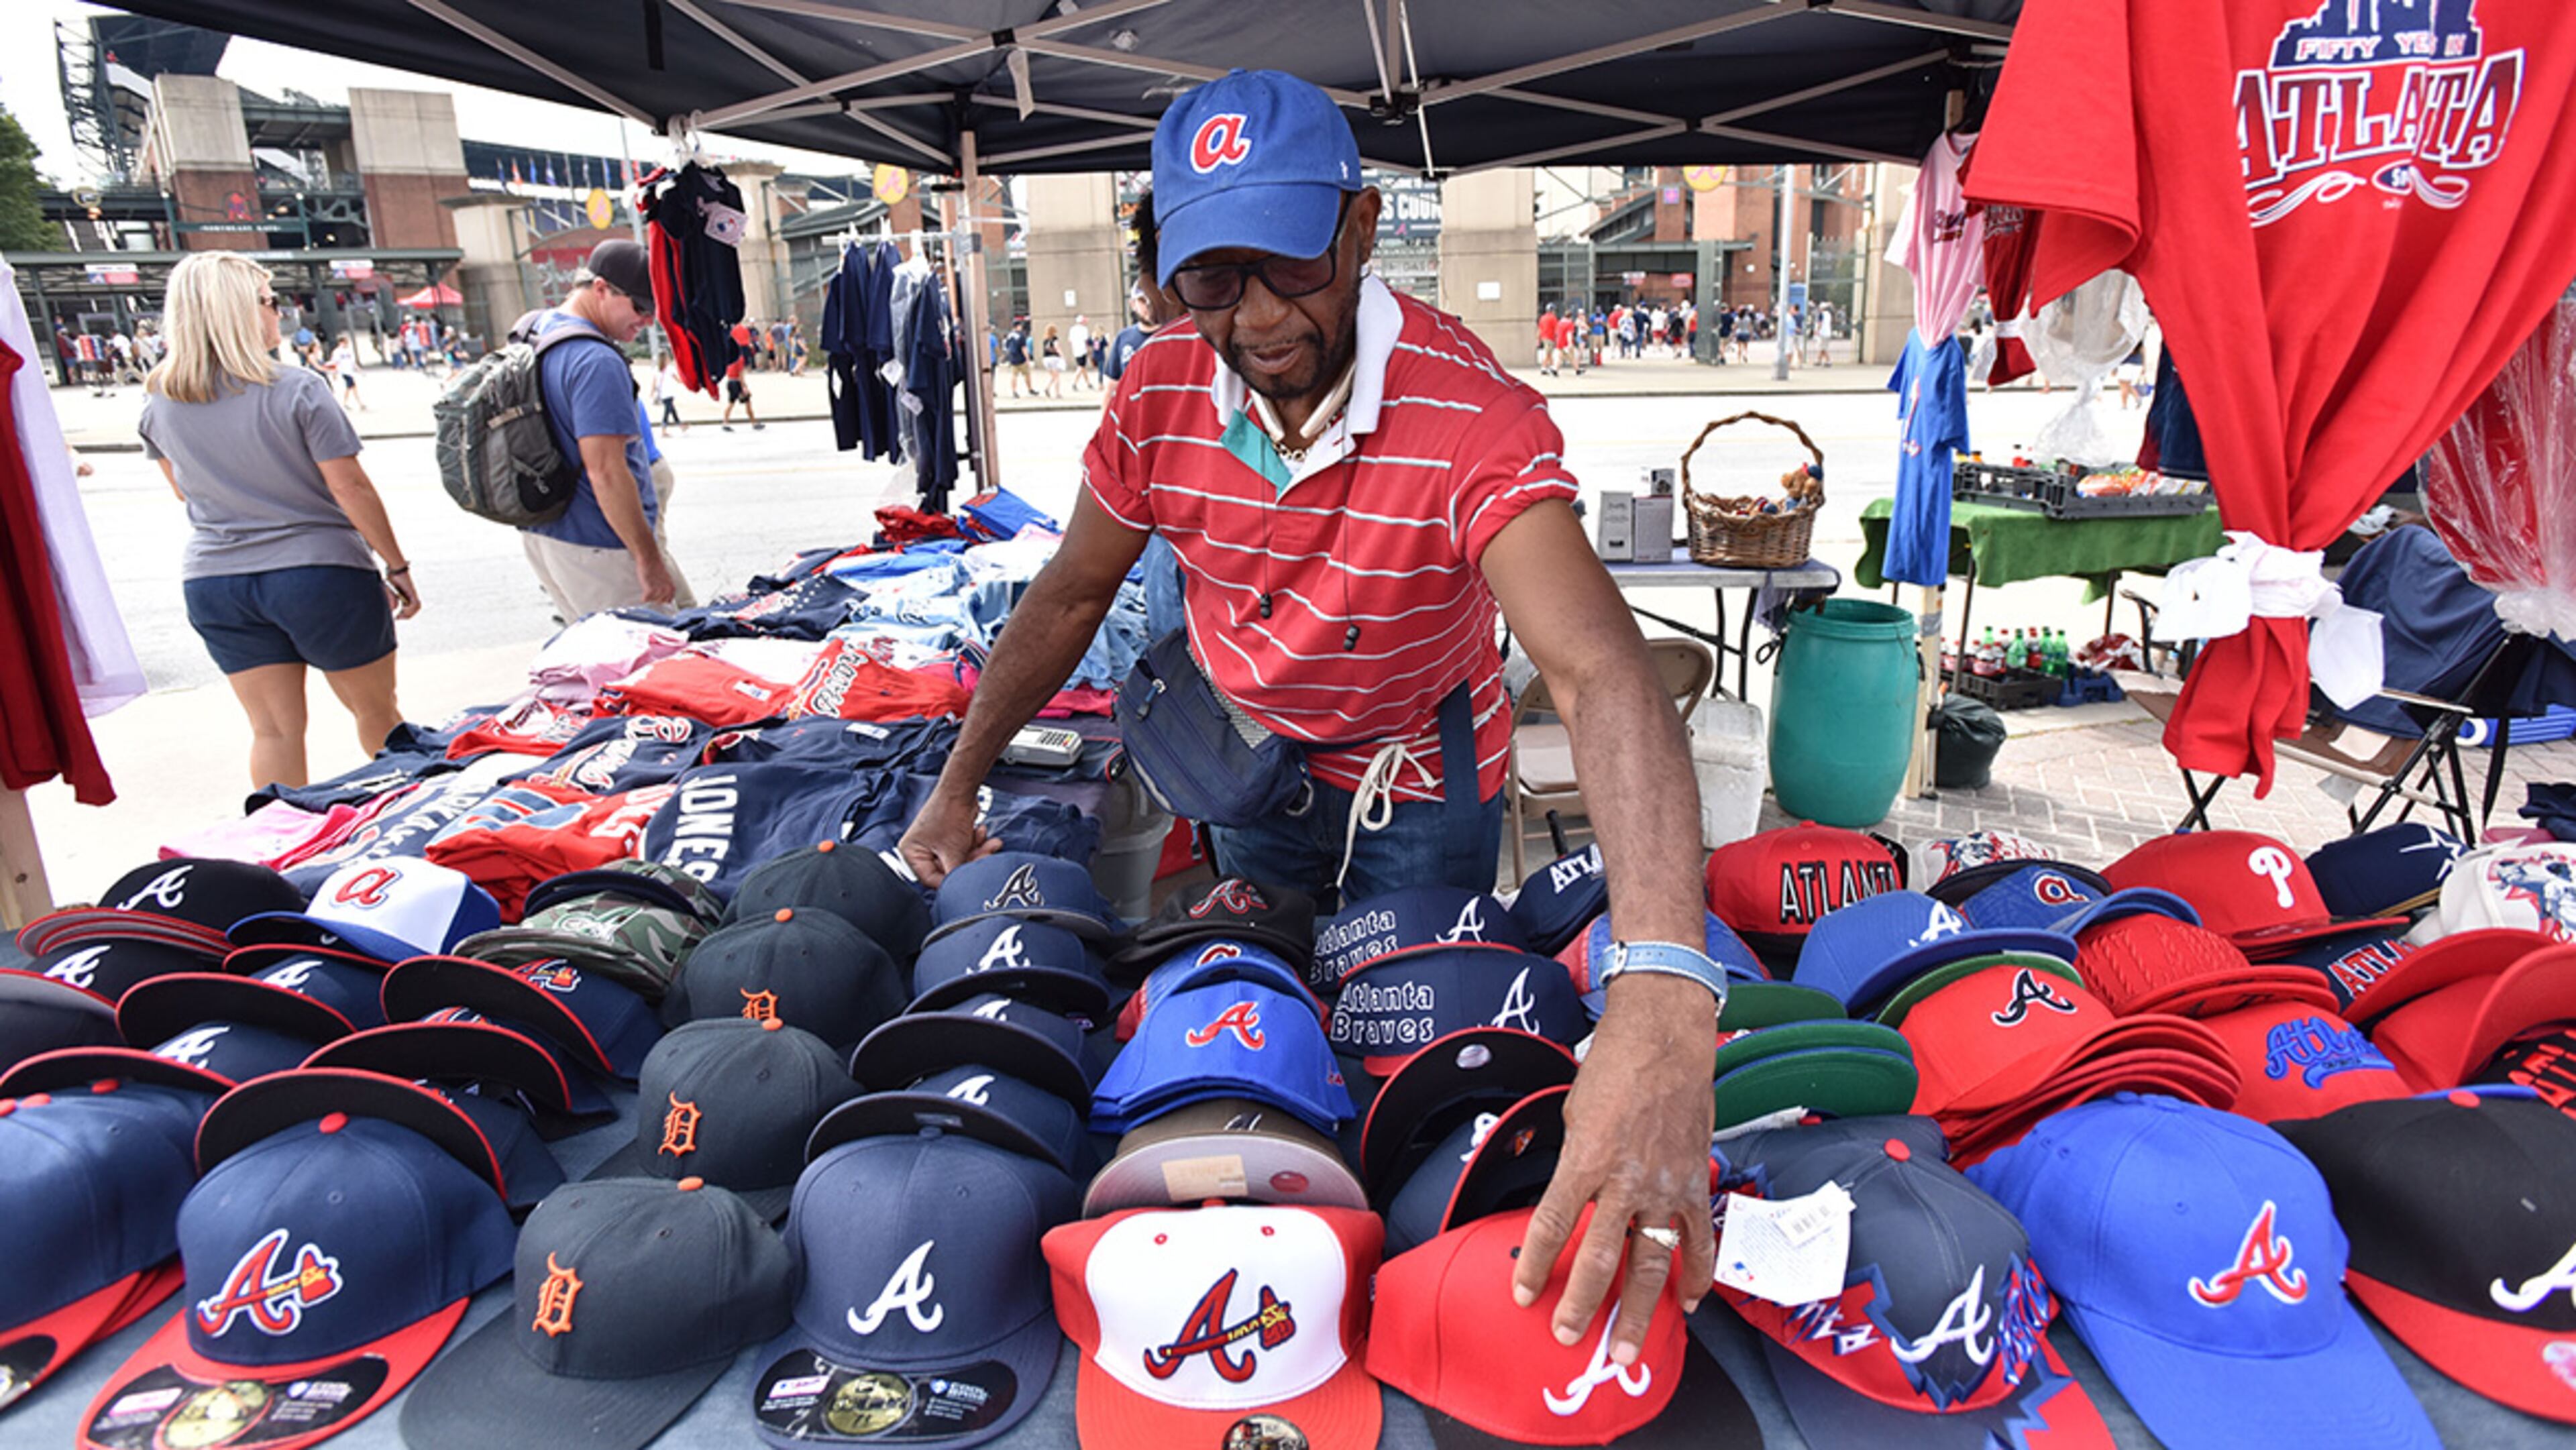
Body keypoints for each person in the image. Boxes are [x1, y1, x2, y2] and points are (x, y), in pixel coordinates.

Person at [896, 69, 1719, 1370]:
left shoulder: (1469, 413)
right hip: (1250, 765)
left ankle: (1404, 1283)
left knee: (1412, 1040)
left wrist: (1663, 1000)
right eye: (1210, 280)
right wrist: (955, 785)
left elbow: (1602, 671)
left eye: (1288, 263)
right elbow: (1067, 596)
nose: (1262, 317)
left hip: (1421, 779)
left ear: (1359, 227)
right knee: (1260, 1016)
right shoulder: (1161, 391)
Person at [137, 252, 419, 790]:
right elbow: (350, 487)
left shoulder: (159, 401)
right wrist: (397, 565)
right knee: (379, 716)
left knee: (273, 733)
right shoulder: (298, 388)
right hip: (319, 574)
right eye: (270, 303)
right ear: (239, 313)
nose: (279, 314)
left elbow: (182, 490)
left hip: (215, 581)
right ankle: (410, 820)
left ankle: (275, 845)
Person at [517, 239, 696, 622]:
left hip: (548, 533)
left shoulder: (537, 329)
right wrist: (648, 559)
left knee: (596, 656)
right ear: (600, 289)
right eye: (641, 307)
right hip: (600, 547)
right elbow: (606, 471)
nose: (647, 321)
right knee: (649, 666)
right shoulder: (595, 359)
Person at [720, 347, 761, 430]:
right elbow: (741, 374)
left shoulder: (729, 359)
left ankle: (725, 422)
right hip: (737, 382)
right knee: (747, 402)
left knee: (731, 403)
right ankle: (753, 423)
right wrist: (744, 387)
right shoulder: (740, 359)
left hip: (730, 381)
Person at [653, 357, 687, 431]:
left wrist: (652, 392)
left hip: (662, 394)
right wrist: (686, 382)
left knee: (672, 410)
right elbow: (678, 380)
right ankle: (664, 429)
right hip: (669, 393)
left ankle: (681, 426)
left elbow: (654, 382)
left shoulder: (657, 369)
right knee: (667, 412)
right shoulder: (670, 369)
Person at [1002, 320, 1032, 397]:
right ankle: (1030, 389)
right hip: (1021, 358)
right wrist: (1028, 358)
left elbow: (1006, 346)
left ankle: (1014, 391)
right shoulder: (1021, 336)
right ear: (1018, 326)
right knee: (1027, 374)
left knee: (1014, 375)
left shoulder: (1009, 335)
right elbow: (1024, 348)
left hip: (1013, 358)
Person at [1068, 314, 1094, 390]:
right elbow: (1086, 341)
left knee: (1083, 367)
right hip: (1082, 350)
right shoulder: (1084, 329)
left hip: (1075, 350)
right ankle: (1074, 383)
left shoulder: (1072, 329)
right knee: (1081, 367)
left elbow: (1070, 340)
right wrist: (1089, 350)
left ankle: (1088, 383)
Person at [1039, 324, 1065, 397]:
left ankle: (1047, 388)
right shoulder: (1055, 338)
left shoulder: (1045, 339)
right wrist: (1062, 355)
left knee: (1053, 376)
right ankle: (1057, 393)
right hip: (1054, 358)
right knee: (1057, 377)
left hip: (1046, 359)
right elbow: (1057, 347)